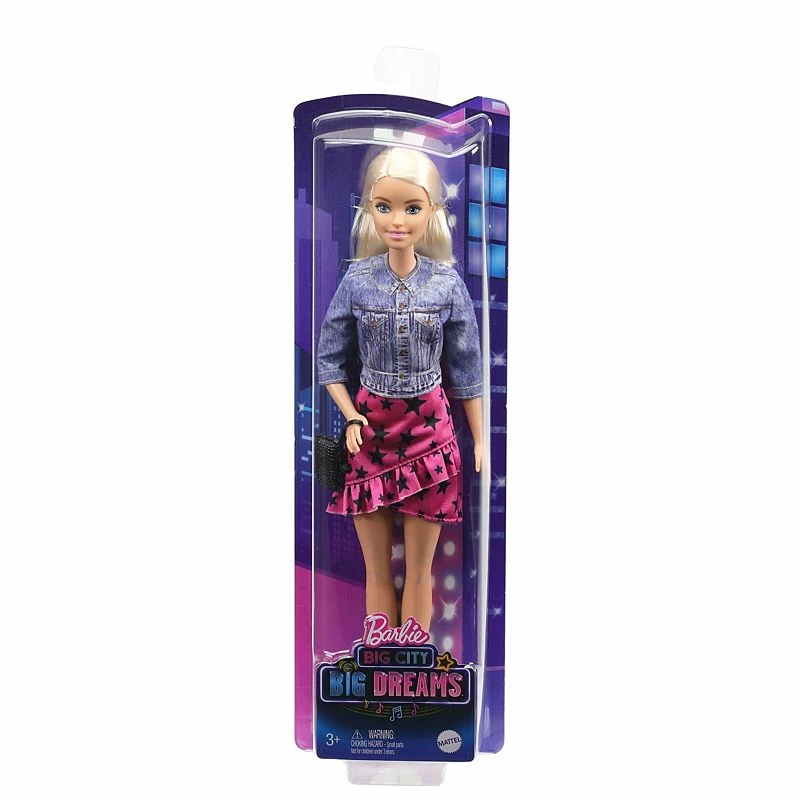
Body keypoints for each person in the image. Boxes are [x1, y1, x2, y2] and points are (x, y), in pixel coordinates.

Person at [317, 147, 483, 632]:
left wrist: (481, 440)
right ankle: (378, 657)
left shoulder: (446, 284)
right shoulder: (357, 280)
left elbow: (468, 369)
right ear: (368, 209)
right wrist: (350, 414)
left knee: (420, 570)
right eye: (383, 206)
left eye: (412, 208)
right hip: (369, 429)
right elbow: (329, 360)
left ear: (432, 211)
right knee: (376, 568)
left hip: (430, 429)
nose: (397, 220)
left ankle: (413, 660)